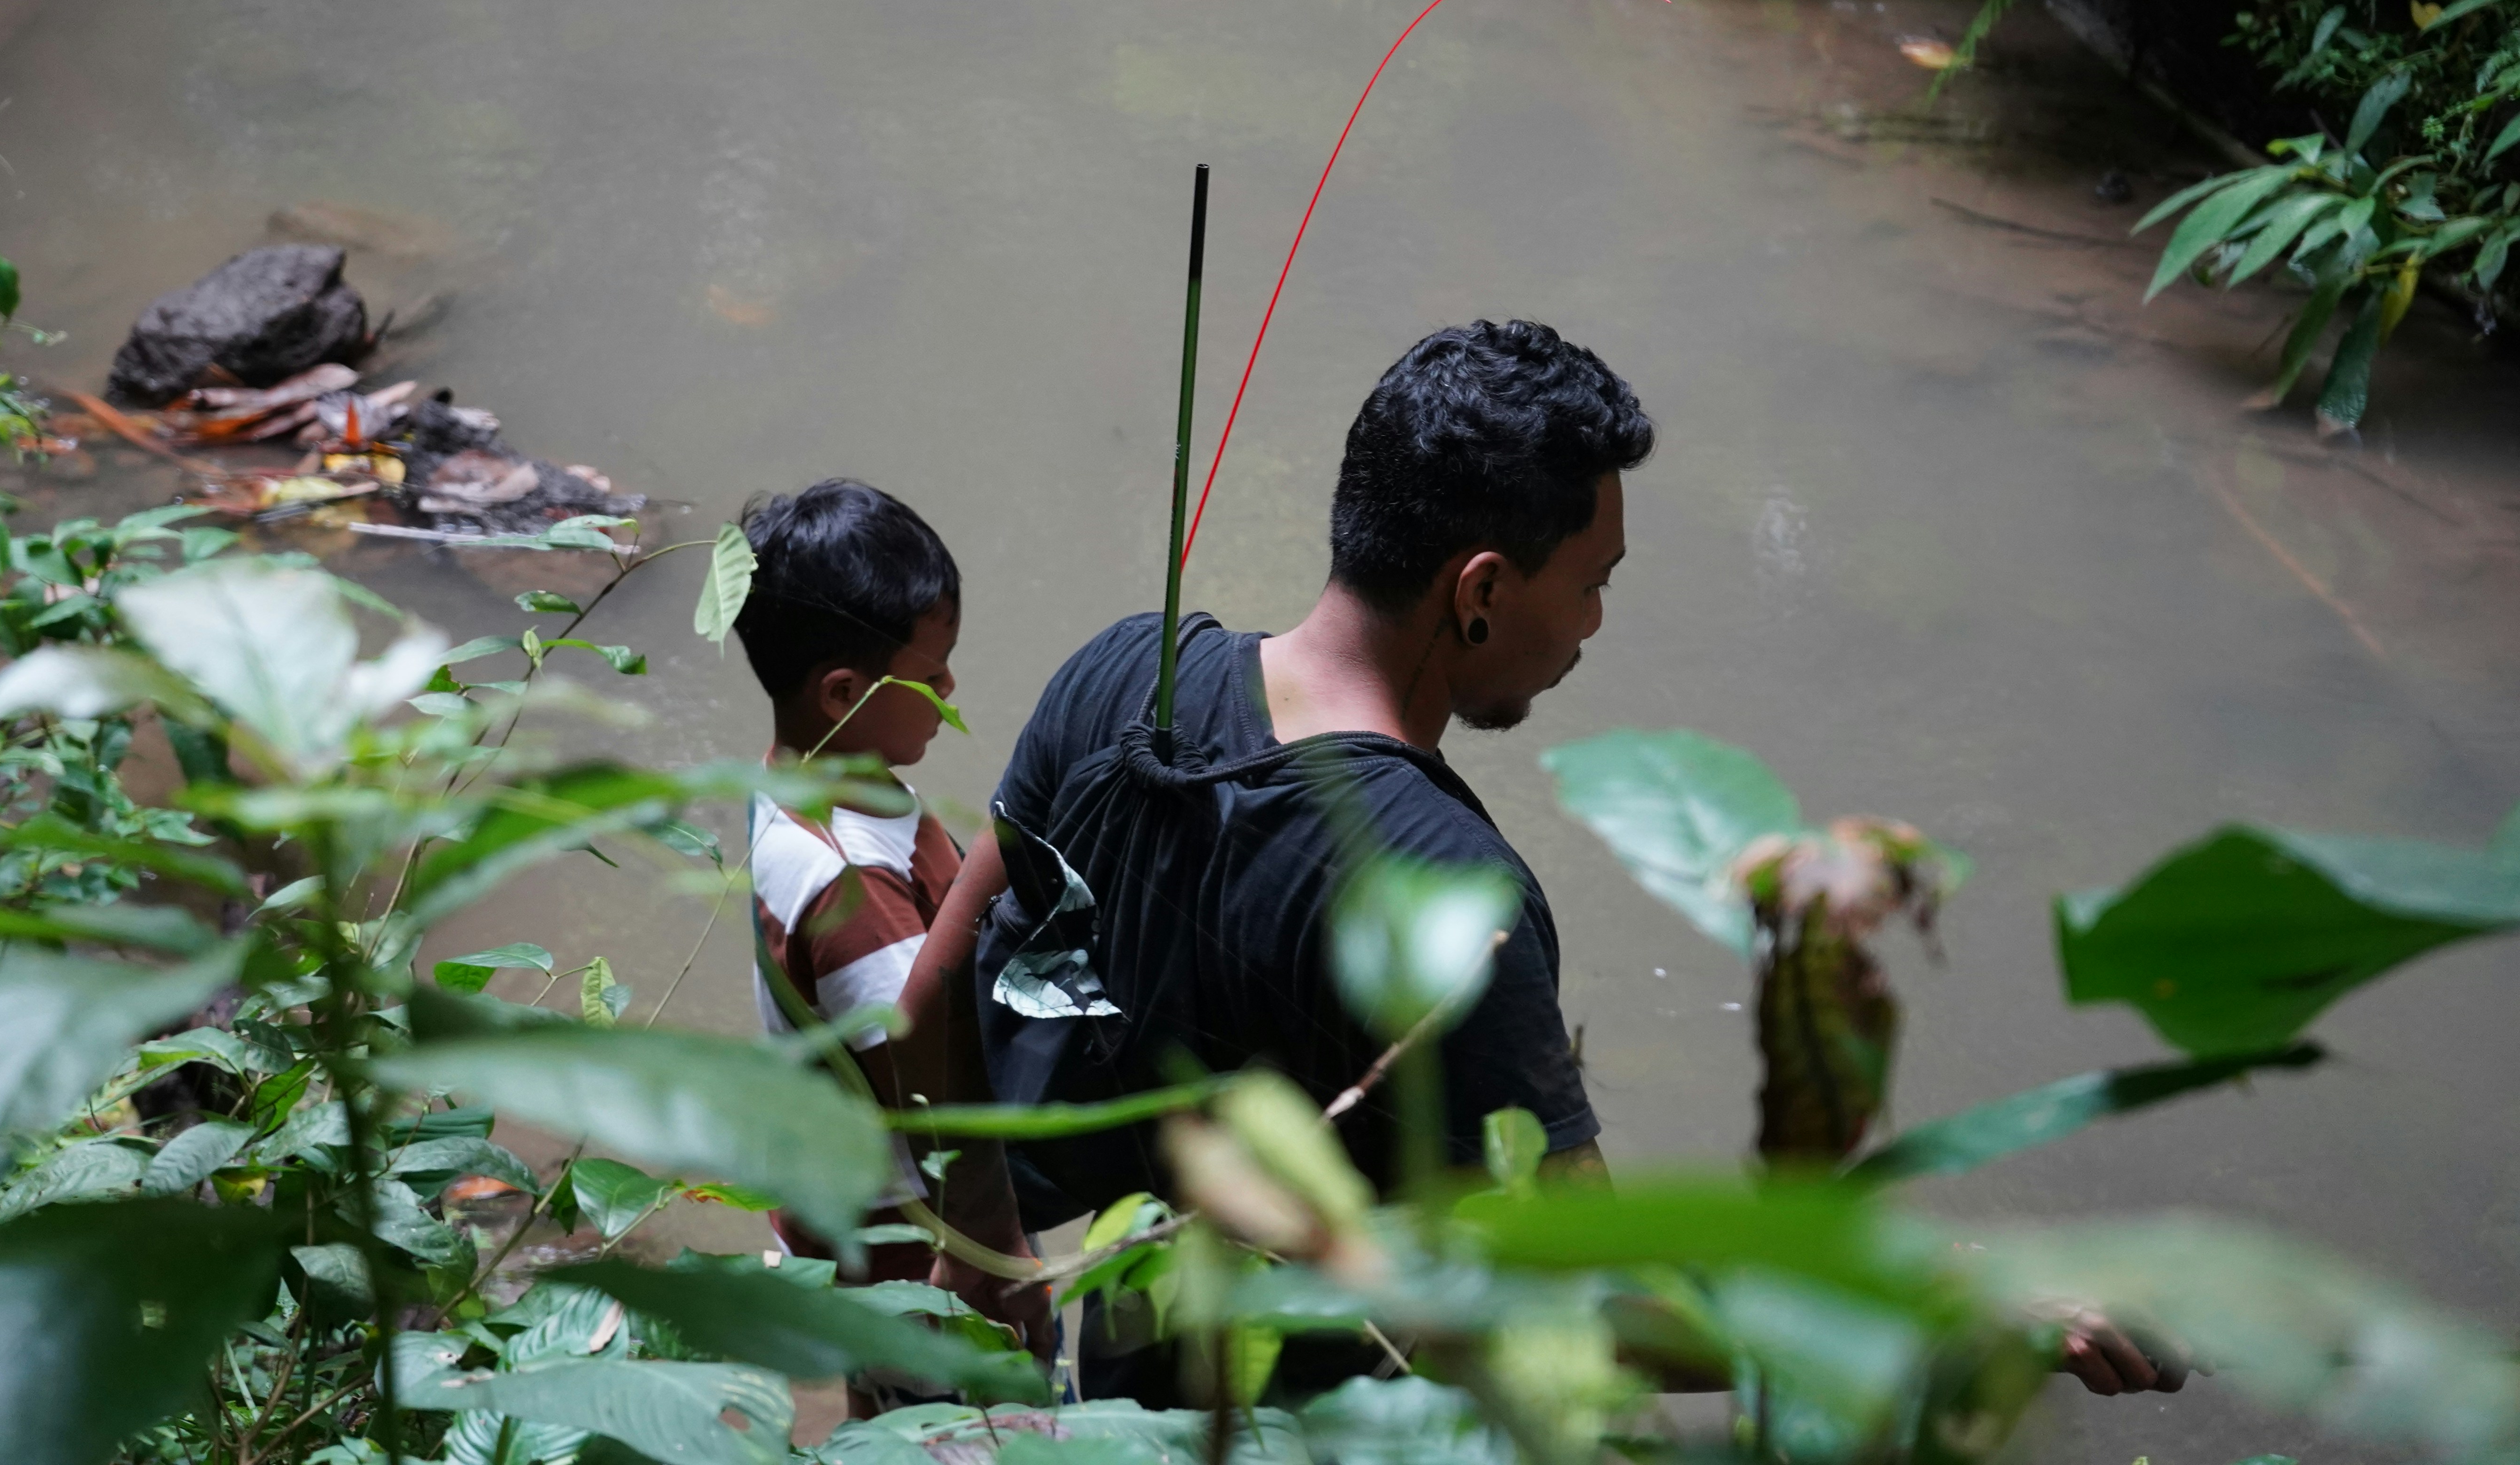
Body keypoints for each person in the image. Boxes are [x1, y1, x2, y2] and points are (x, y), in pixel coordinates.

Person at [894, 320, 2186, 1405]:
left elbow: (930, 992)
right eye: (1593, 583)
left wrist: (991, 1230)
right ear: (1480, 593)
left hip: (1134, 1384)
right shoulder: (1455, 900)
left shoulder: (1127, 668)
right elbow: (1588, 1304)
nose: (1597, 625)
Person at [732, 481, 975, 1281]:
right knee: (980, 1410)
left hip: (831, 1201)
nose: (949, 694)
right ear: (841, 693)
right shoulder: (849, 880)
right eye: (933, 675)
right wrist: (995, 1258)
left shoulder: (808, 777)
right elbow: (930, 1092)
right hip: (913, 1238)